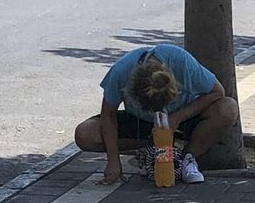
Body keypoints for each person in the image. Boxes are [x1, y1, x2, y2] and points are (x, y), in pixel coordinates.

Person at [73, 43, 239, 185]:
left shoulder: (182, 61)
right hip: (140, 122)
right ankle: (149, 149)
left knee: (227, 108)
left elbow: (218, 92)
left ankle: (187, 158)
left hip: (182, 118)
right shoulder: (120, 71)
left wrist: (178, 116)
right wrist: (113, 160)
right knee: (85, 134)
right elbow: (108, 115)